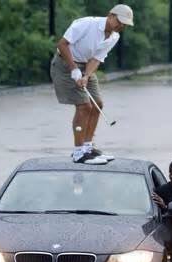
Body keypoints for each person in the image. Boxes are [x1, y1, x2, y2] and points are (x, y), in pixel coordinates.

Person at [50, 4, 134, 164]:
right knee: (84, 106)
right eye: (120, 21)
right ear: (110, 15)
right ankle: (78, 153)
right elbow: (62, 44)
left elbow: (96, 59)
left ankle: (88, 148)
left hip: (85, 65)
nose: (121, 26)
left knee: (98, 104)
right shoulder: (87, 24)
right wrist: (74, 69)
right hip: (64, 65)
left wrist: (86, 75)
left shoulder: (114, 37)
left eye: (125, 24)